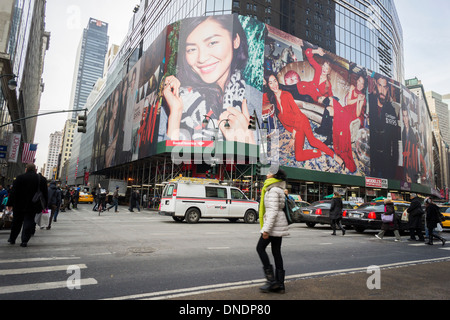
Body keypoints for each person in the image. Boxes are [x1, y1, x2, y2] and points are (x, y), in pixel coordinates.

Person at [162, 15, 257, 144]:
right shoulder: (175, 100)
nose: (201, 58)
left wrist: (248, 147)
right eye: (191, 49)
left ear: (235, 40)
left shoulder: (256, 101)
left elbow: (270, 159)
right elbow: (164, 162)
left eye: (212, 43)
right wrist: (176, 114)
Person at [263, 72, 343, 166]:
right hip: (293, 126)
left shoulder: (286, 95)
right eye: (270, 83)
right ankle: (321, 152)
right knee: (299, 157)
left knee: (312, 141)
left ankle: (335, 156)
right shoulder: (270, 97)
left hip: (300, 122)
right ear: (267, 85)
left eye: (275, 81)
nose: (274, 85)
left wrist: (293, 137)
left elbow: (298, 115)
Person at [256, 168, 289, 294]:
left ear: (274, 176)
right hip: (278, 224)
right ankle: (280, 285)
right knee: (276, 252)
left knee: (260, 248)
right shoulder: (278, 189)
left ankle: (272, 281)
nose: (266, 174)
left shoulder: (273, 190)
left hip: (274, 225)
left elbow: (273, 211)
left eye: (269, 173)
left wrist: (266, 230)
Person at [6, 164, 48, 247]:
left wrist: (9, 204)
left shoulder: (19, 178)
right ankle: (24, 241)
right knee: (29, 221)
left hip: (18, 204)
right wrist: (44, 206)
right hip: (33, 205)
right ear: (35, 170)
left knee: (16, 222)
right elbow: (45, 194)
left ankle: (12, 238)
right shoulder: (41, 179)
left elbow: (13, 192)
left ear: (26, 169)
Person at [369, 74, 400, 179]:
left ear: (387, 89)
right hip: (370, 160)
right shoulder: (369, 102)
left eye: (384, 87)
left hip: (386, 163)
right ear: (375, 85)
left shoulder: (391, 110)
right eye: (379, 85)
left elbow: (395, 142)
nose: (382, 90)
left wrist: (393, 166)